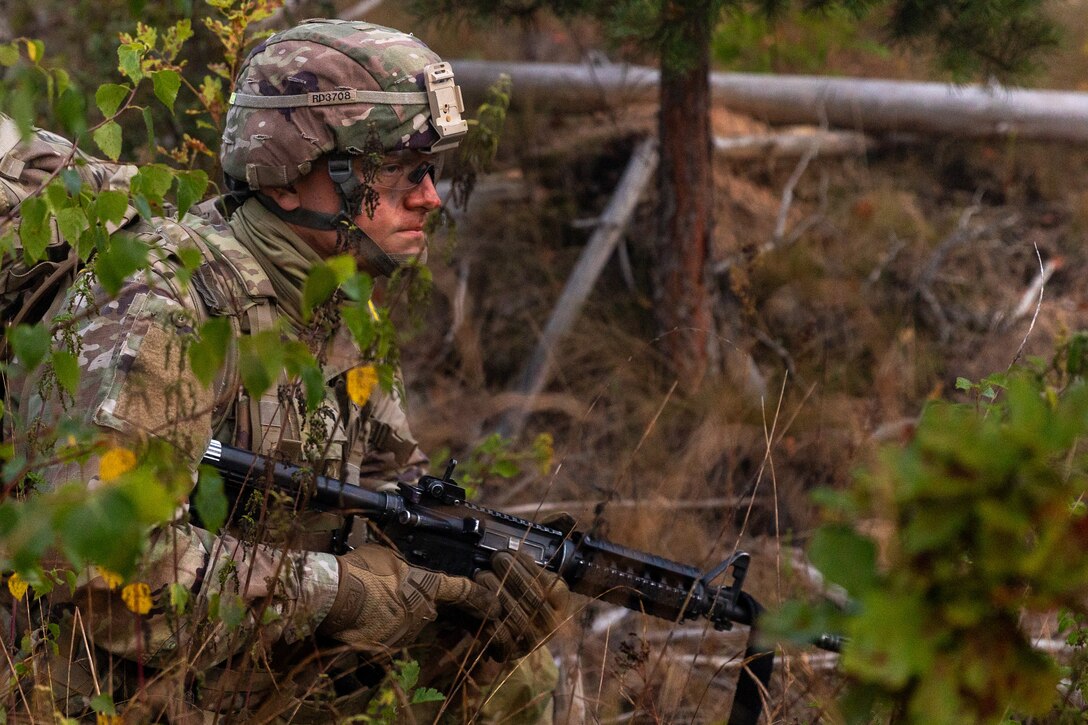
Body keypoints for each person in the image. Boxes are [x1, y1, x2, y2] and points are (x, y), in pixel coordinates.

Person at [3, 18, 568, 723]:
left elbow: (388, 495)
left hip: (246, 664)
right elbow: (99, 569)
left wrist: (467, 580)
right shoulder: (167, 305)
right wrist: (342, 591)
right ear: (300, 174)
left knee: (514, 673)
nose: (429, 196)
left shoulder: (335, 304)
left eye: (433, 171)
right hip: (115, 690)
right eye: (402, 169)